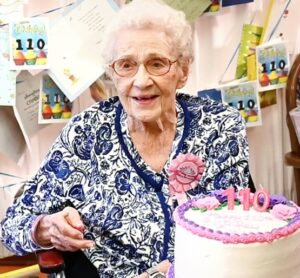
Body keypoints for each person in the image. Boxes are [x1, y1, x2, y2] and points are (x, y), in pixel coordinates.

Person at [0, 0, 250, 277]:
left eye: (157, 63)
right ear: (112, 73)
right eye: (126, 65)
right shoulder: (86, 134)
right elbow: (13, 226)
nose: (141, 81)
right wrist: (47, 228)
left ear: (183, 72)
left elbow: (233, 226)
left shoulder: (219, 126)